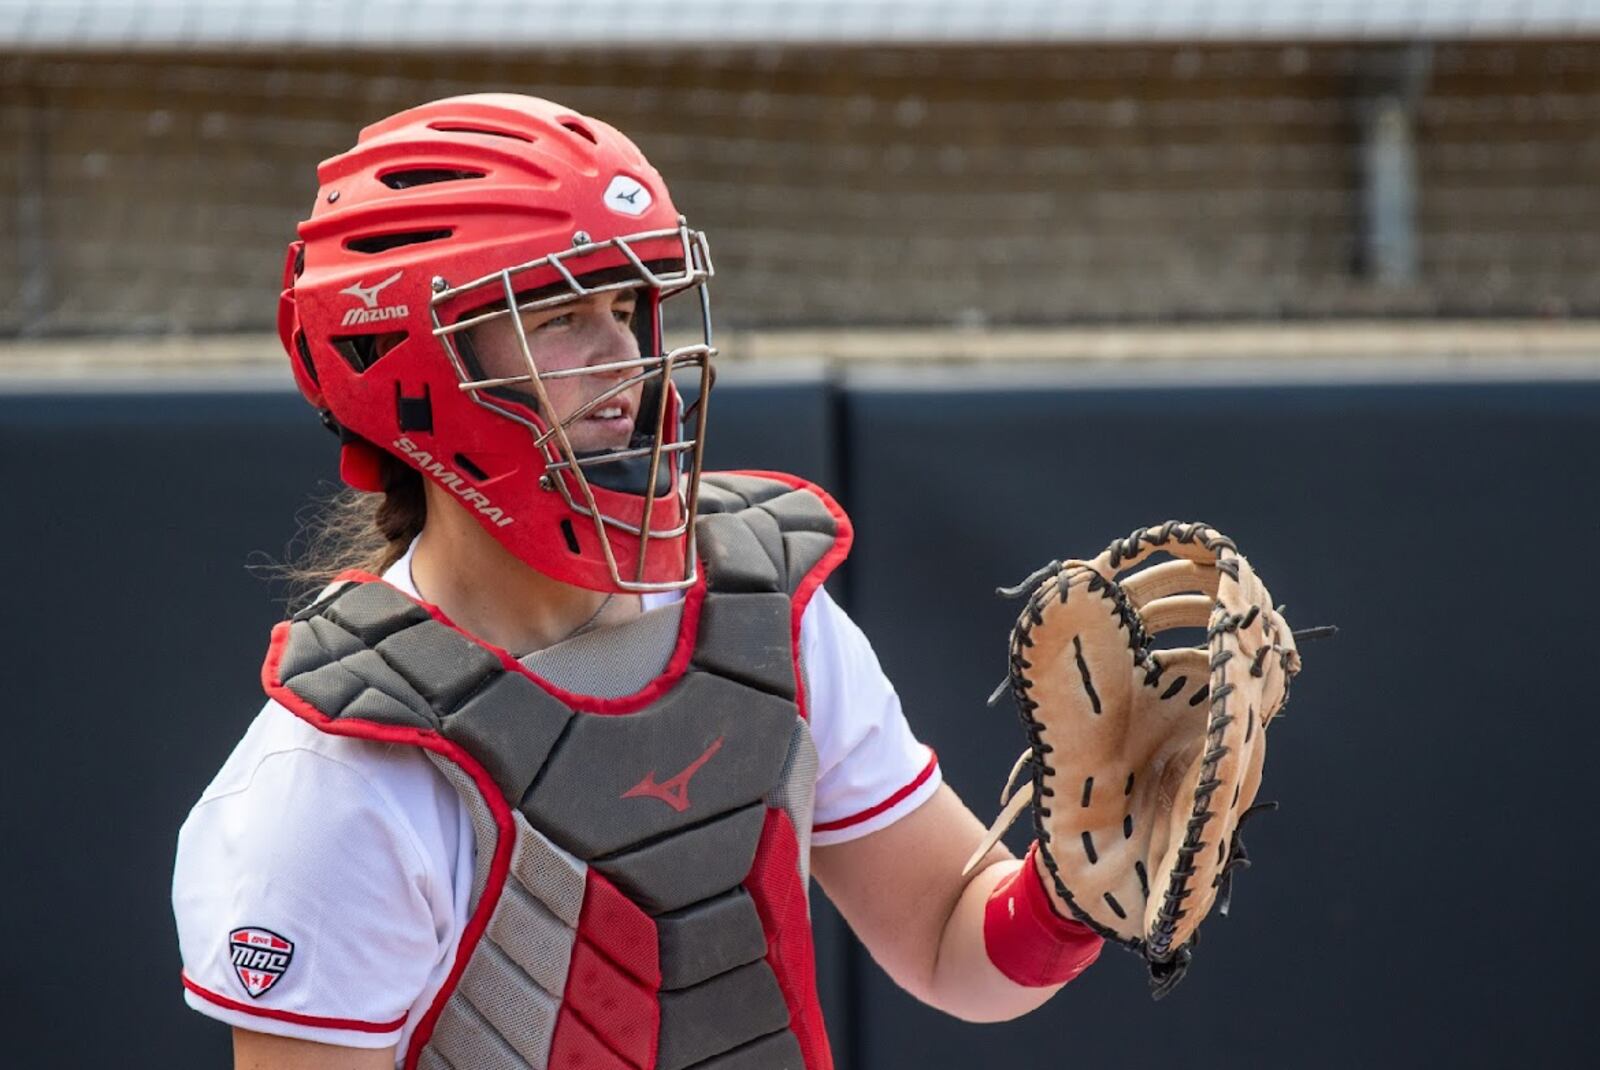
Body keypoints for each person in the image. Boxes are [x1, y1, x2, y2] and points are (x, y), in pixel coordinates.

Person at [172, 93, 1102, 1070]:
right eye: (564, 317)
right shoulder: (342, 772)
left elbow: (952, 940)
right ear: (410, 359)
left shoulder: (762, 611)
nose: (630, 365)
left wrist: (1077, 889)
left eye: (627, 308)